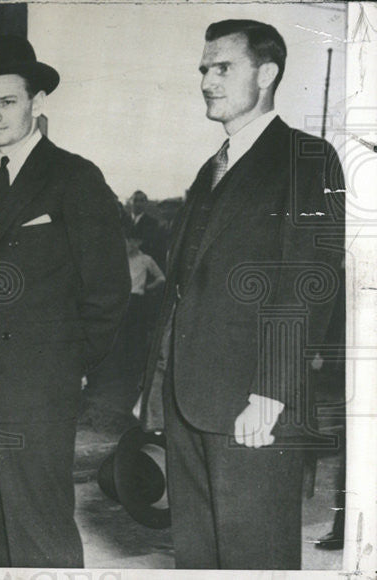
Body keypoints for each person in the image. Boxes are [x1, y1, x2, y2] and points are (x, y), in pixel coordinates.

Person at [135, 20, 345, 569]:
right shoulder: (213, 168)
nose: (207, 80)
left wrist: (271, 393)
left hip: (253, 407)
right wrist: (154, 385)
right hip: (187, 406)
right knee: (199, 559)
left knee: (256, 557)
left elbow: (309, 281)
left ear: (268, 73)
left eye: (223, 67)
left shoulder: (307, 158)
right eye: (204, 68)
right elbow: (183, 290)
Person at [0, 35, 130, 568]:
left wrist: (66, 367)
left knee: (38, 531)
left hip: (35, 389)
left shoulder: (74, 177)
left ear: (37, 102)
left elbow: (108, 292)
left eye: (7, 102)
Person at [125, 233, 164, 383]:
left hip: (136, 301)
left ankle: (134, 366)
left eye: (133, 242)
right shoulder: (122, 259)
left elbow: (161, 278)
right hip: (124, 300)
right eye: (128, 241)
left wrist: (148, 287)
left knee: (134, 334)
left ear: (139, 243)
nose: (129, 245)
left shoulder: (145, 259)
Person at [126, 190, 167, 270]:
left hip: (142, 265)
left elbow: (150, 244)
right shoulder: (124, 220)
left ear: (146, 203)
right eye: (135, 200)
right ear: (130, 202)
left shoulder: (152, 222)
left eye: (141, 201)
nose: (138, 204)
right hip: (126, 263)